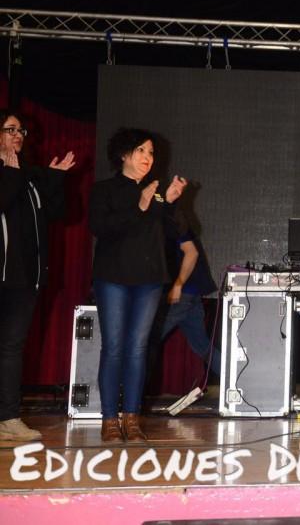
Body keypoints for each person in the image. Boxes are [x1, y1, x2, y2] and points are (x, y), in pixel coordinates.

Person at [90, 128, 187, 442]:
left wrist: (169, 203)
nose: (148, 157)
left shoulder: (155, 192)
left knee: (138, 349)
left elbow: (177, 233)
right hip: (113, 277)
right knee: (114, 347)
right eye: (141, 151)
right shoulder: (104, 190)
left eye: (151, 152)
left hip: (149, 280)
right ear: (124, 155)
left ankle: (132, 419)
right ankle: (109, 419)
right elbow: (101, 228)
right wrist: (141, 207)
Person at [0, 110, 74, 442]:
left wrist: (55, 179)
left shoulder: (29, 174)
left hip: (25, 278)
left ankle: (8, 418)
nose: (18, 135)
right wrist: (11, 172)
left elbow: (58, 213)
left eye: (21, 130)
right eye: (10, 129)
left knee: (12, 348)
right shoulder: (12, 173)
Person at [153, 215, 220, 380]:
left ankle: (129, 389)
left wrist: (178, 285)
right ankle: (236, 379)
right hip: (191, 293)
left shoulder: (171, 222)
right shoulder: (177, 222)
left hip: (181, 293)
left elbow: (192, 254)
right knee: (201, 345)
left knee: (148, 341)